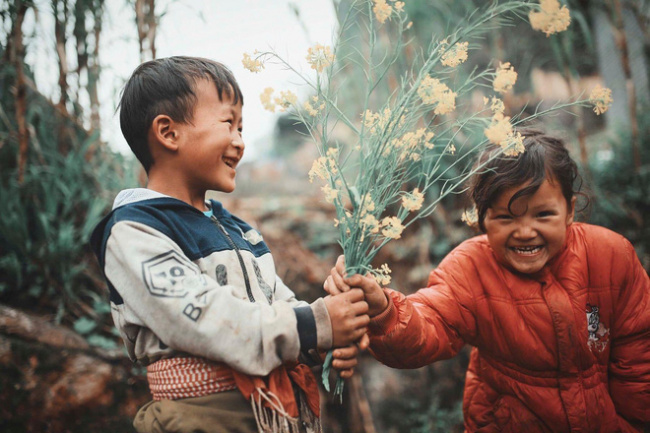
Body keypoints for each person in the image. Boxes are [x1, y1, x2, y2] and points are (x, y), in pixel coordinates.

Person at [90, 56, 370, 433]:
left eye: (242, 127)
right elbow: (205, 317)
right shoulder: (135, 232)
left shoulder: (240, 230)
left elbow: (279, 303)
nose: (240, 142)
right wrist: (315, 324)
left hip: (270, 415)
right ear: (168, 133)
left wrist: (328, 337)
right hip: (200, 419)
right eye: (229, 123)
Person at [325, 130, 650, 432]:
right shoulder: (471, 268)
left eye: (543, 215)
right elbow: (427, 325)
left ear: (570, 210)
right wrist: (384, 310)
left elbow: (638, 359)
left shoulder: (610, 256)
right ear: (483, 220)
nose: (525, 232)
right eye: (506, 217)